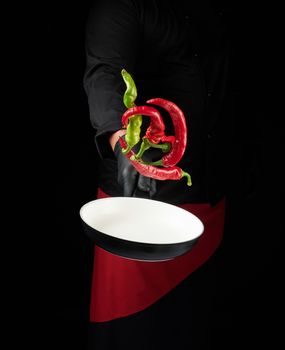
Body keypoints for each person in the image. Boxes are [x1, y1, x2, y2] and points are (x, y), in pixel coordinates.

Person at [83, 0, 234, 348]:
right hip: (142, 205)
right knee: (131, 332)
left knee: (193, 327)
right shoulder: (119, 6)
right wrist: (121, 141)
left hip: (210, 203)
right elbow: (104, 72)